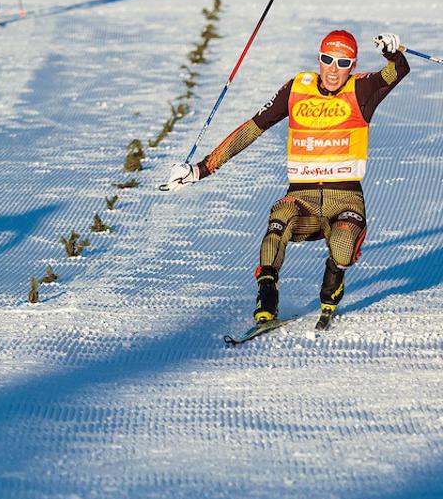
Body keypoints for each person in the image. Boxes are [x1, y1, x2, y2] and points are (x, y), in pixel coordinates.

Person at [164, 31, 410, 327]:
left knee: (343, 244)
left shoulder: (361, 89)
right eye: (327, 59)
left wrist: (392, 53)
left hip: (345, 198)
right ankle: (267, 297)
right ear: (319, 59)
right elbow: (252, 128)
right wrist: (202, 168)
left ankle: (334, 280)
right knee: (279, 219)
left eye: (342, 62)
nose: (333, 69)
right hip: (302, 200)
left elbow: (397, 71)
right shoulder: (297, 88)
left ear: (353, 65)